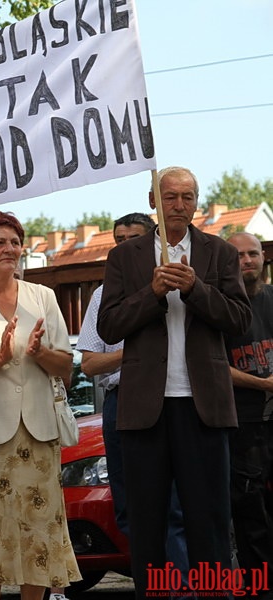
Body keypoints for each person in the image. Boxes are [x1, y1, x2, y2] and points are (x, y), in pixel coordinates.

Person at [97, 167, 251, 598]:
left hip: (203, 406)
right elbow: (108, 326)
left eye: (187, 197)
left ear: (197, 203)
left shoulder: (219, 252)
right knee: (148, 524)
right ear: (153, 201)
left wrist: (196, 289)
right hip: (147, 408)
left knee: (210, 521)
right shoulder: (124, 258)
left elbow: (239, 320)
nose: (179, 205)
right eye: (170, 197)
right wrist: (151, 292)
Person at [0, 211, 80, 600]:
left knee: (38, 527)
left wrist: (40, 352)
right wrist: (2, 356)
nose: (10, 249)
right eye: (0, 243)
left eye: (15, 242)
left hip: (39, 432)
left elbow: (67, 370)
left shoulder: (42, 297)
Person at [77, 213, 191, 587]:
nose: (124, 244)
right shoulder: (102, 294)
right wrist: (136, 355)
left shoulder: (178, 286)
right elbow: (90, 362)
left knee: (174, 510)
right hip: (121, 403)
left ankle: (182, 593)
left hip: (169, 399)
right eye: (118, 238)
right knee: (132, 510)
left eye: (134, 237)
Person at [223, 232, 273, 595]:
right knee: (250, 511)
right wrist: (265, 385)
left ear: (263, 258)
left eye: (252, 253)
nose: (246, 260)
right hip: (244, 423)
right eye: (238, 255)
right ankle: (259, 587)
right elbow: (214, 367)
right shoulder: (223, 308)